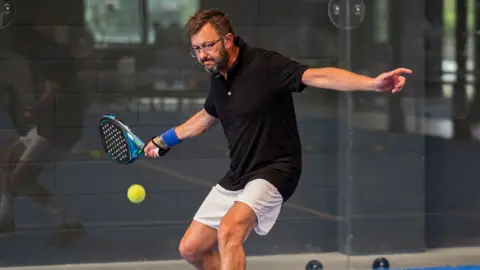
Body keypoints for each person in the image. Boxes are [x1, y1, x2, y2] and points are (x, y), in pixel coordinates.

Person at [143, 8, 413, 270]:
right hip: (240, 173)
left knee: (229, 232)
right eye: (197, 50)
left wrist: (372, 84)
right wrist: (162, 141)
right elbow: (205, 118)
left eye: (208, 46)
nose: (203, 55)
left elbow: (319, 75)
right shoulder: (219, 76)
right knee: (191, 248)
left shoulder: (266, 65)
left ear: (227, 39)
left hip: (276, 169)